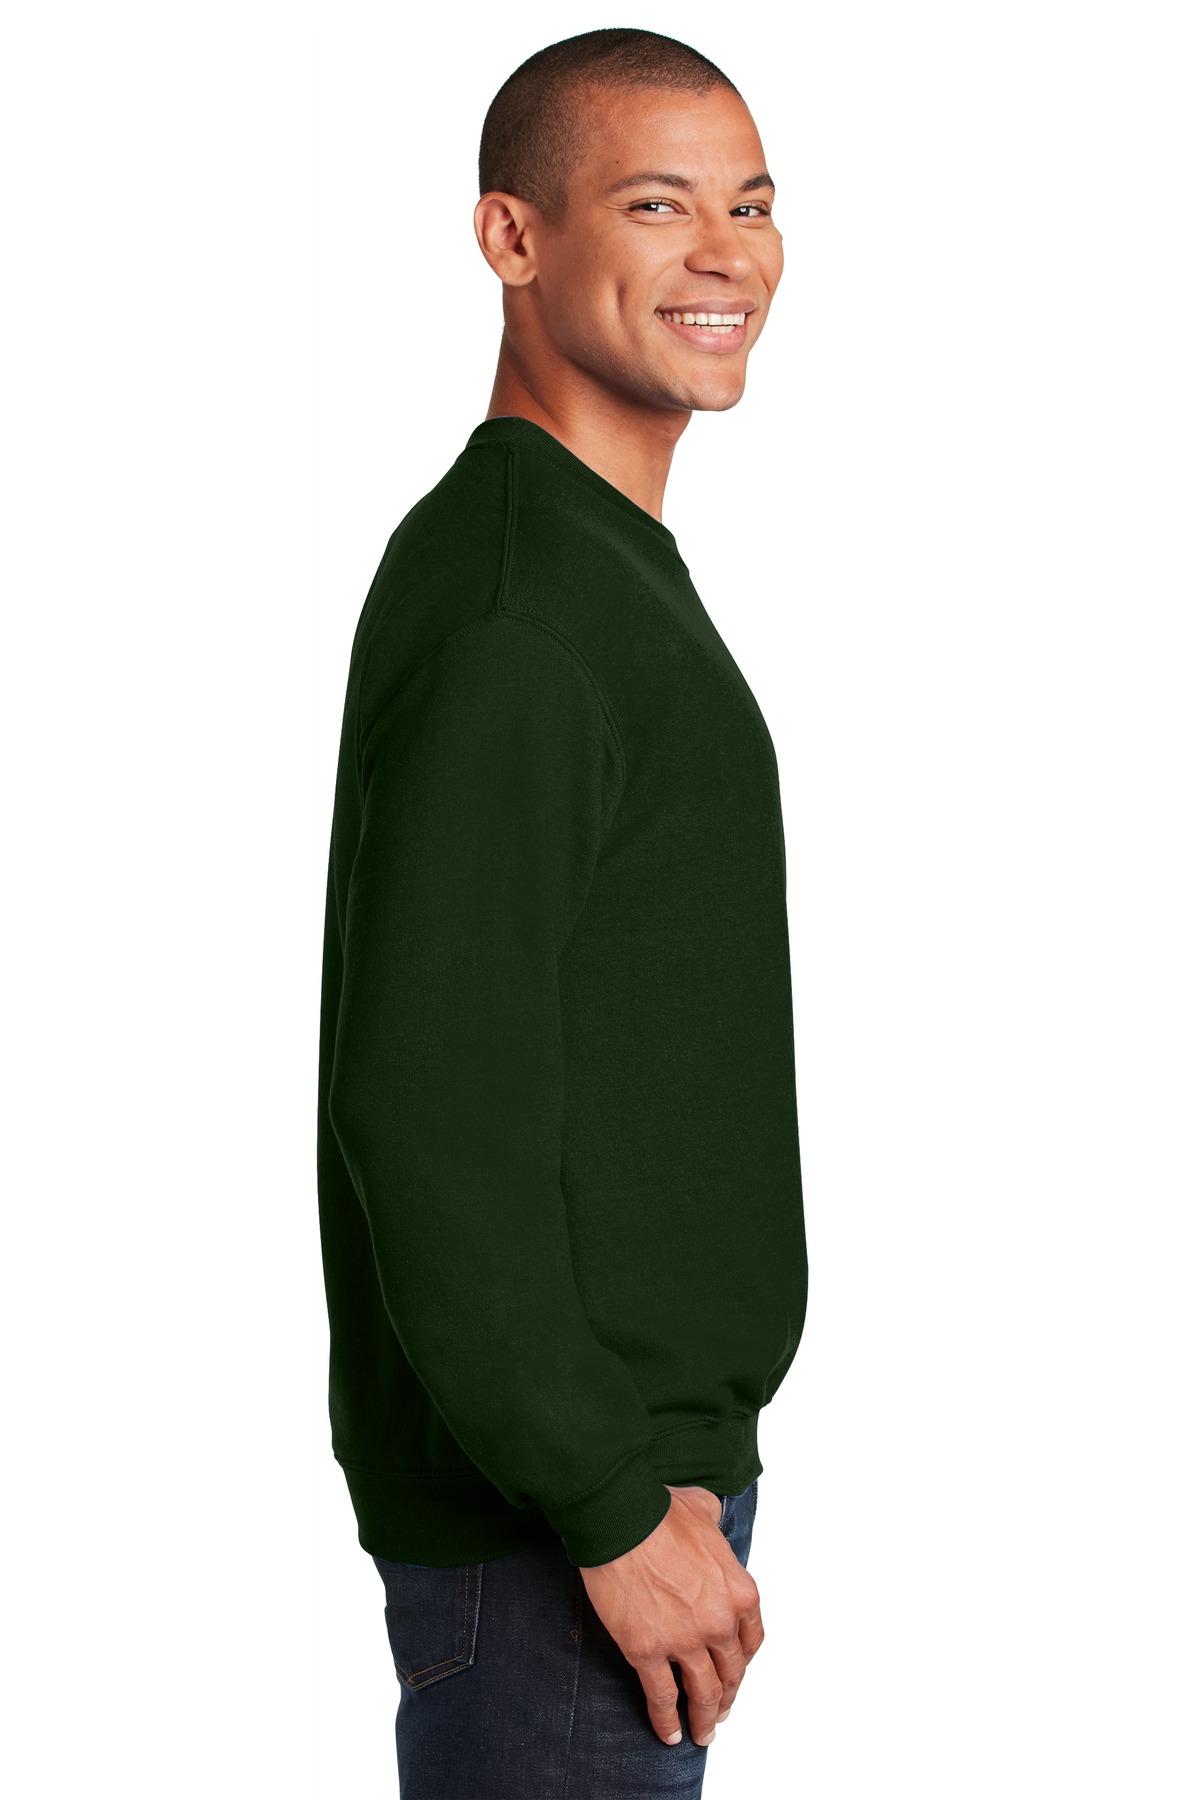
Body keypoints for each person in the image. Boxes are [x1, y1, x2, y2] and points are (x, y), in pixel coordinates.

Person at [316, 26, 808, 1798]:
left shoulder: (584, 571)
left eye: (752, 203)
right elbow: (426, 1110)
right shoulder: (524, 611)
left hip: (604, 1503)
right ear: (511, 237)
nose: (725, 253)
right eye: (658, 204)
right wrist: (604, 1498)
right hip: (562, 1538)